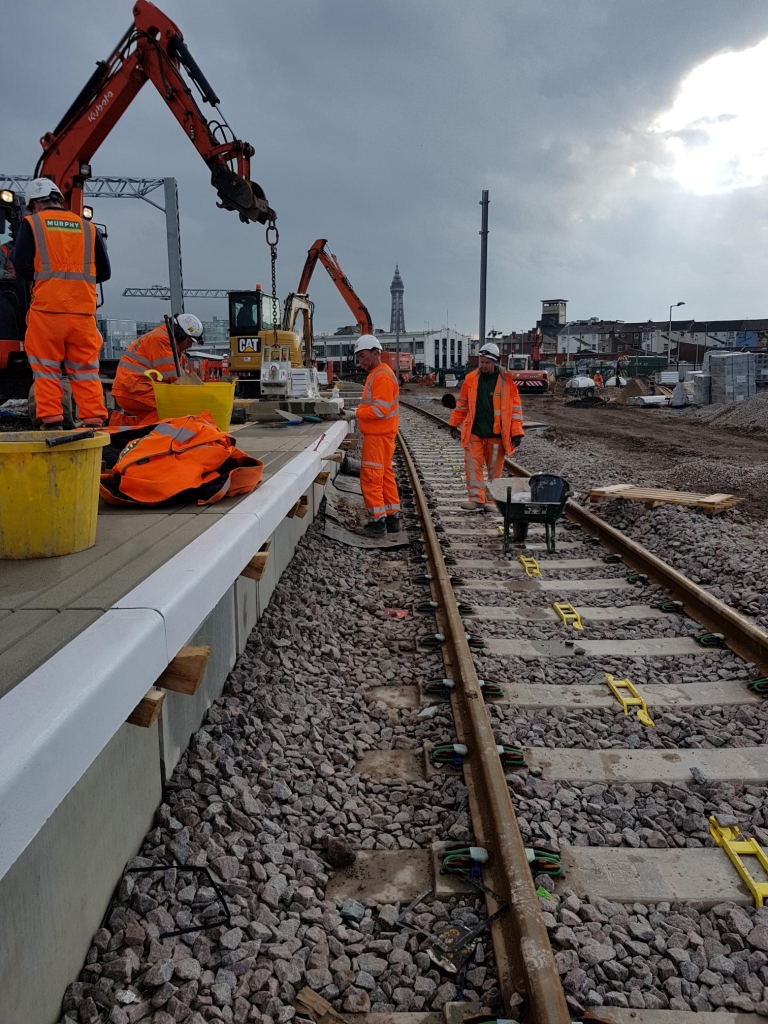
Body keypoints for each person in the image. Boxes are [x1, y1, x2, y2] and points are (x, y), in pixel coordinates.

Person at [10, 177, 111, 427]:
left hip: (47, 311)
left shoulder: (32, 223)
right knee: (87, 371)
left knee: (46, 370)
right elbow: (105, 273)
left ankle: (52, 420)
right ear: (59, 199)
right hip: (83, 314)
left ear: (34, 203)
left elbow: (20, 264)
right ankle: (94, 419)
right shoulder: (88, 228)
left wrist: (43, 280)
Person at [449, 341, 524, 511]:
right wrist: (454, 423)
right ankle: (476, 499)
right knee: (471, 465)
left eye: (487, 362)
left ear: (495, 361)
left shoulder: (507, 381)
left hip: (496, 435)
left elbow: (516, 409)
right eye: (481, 362)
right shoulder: (471, 379)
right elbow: (462, 405)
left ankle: (491, 501)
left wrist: (517, 432)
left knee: (494, 471)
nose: (483, 365)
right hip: (475, 432)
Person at [348, 334, 400, 537]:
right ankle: (392, 517)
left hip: (377, 437)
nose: (360, 361)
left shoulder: (381, 376)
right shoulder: (379, 374)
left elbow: (380, 410)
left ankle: (378, 523)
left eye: (363, 356)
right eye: (358, 357)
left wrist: (355, 413)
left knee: (371, 478)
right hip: (383, 437)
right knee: (385, 477)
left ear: (375, 353)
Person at [110, 313, 205, 426]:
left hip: (136, 387)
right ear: (180, 335)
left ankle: (113, 421)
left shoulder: (169, 344)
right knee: (171, 410)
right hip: (135, 388)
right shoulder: (161, 340)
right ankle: (117, 423)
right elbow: (175, 378)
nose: (189, 346)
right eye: (189, 342)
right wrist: (200, 397)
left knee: (158, 419)